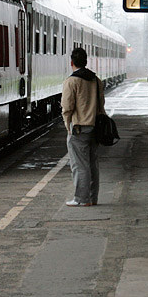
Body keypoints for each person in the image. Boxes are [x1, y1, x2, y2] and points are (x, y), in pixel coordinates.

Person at [61, 46, 106, 207]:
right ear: (86, 62)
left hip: (79, 128)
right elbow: (101, 104)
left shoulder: (71, 81)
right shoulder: (96, 80)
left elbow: (67, 107)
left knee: (80, 165)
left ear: (71, 62)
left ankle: (81, 199)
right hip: (95, 127)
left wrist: (68, 126)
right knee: (93, 164)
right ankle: (93, 198)